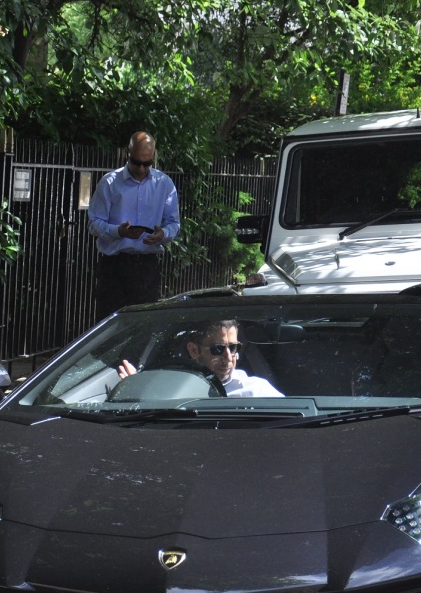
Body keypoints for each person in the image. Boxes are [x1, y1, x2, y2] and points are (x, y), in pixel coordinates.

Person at [88, 131, 181, 319]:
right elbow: (94, 223)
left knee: (143, 326)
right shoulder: (110, 183)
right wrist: (118, 232)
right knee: (110, 324)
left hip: (146, 266)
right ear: (127, 154)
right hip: (114, 265)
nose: (140, 168)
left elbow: (174, 223)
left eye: (147, 163)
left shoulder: (163, 184)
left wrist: (162, 234)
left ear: (153, 157)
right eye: (136, 162)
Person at [119, 319, 283, 397]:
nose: (228, 357)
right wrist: (136, 388)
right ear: (194, 350)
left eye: (233, 347)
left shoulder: (257, 390)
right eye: (217, 349)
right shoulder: (169, 390)